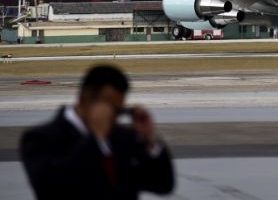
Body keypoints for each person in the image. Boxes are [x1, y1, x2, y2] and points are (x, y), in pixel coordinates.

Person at [20, 65, 174, 200]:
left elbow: (162, 184)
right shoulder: (40, 139)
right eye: (111, 109)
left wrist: (150, 140)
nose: (114, 117)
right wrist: (96, 139)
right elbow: (50, 191)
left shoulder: (122, 137)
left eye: (118, 111)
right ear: (84, 100)